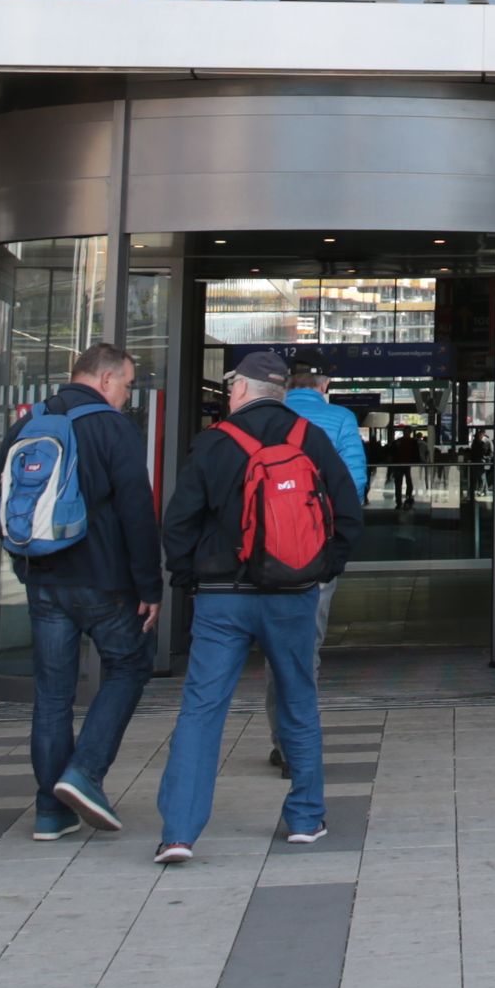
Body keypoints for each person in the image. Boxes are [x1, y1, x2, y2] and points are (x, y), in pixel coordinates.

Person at [152, 349, 356, 863]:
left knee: (201, 710)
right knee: (297, 699)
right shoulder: (311, 439)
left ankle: (178, 832)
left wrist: (188, 578)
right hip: (291, 597)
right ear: (282, 393)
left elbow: (178, 524)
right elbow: (348, 513)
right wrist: (319, 570)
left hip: (222, 600)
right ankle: (306, 818)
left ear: (239, 390)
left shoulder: (213, 443)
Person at [19, 340, 160, 841]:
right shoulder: (112, 426)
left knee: (52, 696)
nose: (126, 393)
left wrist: (27, 568)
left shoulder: (31, 421)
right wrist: (149, 584)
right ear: (104, 380)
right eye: (126, 383)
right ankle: (85, 772)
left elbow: (6, 502)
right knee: (129, 665)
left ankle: (49, 812)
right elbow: (137, 510)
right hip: (104, 579)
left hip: (45, 580)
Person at [271, 366, 370, 768]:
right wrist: (339, 543)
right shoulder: (341, 419)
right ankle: (296, 741)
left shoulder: (267, 416)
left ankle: (281, 738)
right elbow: (353, 483)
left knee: (277, 645)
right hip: (316, 547)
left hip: (267, 548)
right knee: (306, 642)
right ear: (324, 385)